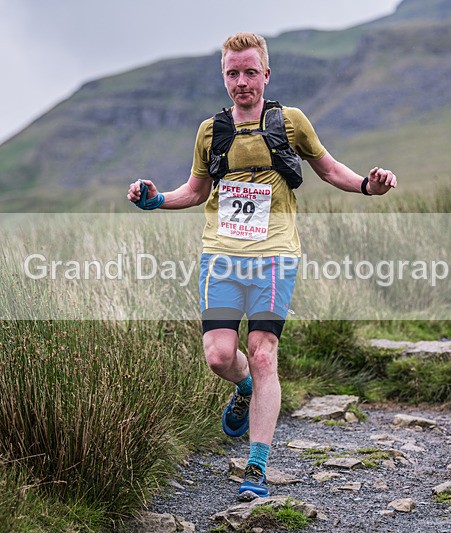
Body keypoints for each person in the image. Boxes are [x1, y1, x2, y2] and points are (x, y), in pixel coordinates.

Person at [127, 32, 396, 501]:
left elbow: (331, 170)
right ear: (224, 76)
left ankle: (256, 467)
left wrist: (369, 186)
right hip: (222, 258)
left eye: (250, 72)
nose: (241, 81)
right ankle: (245, 386)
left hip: (275, 257)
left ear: (266, 75)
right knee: (218, 356)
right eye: (233, 73)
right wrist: (154, 200)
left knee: (265, 351)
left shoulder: (290, 122)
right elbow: (192, 191)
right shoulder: (210, 131)